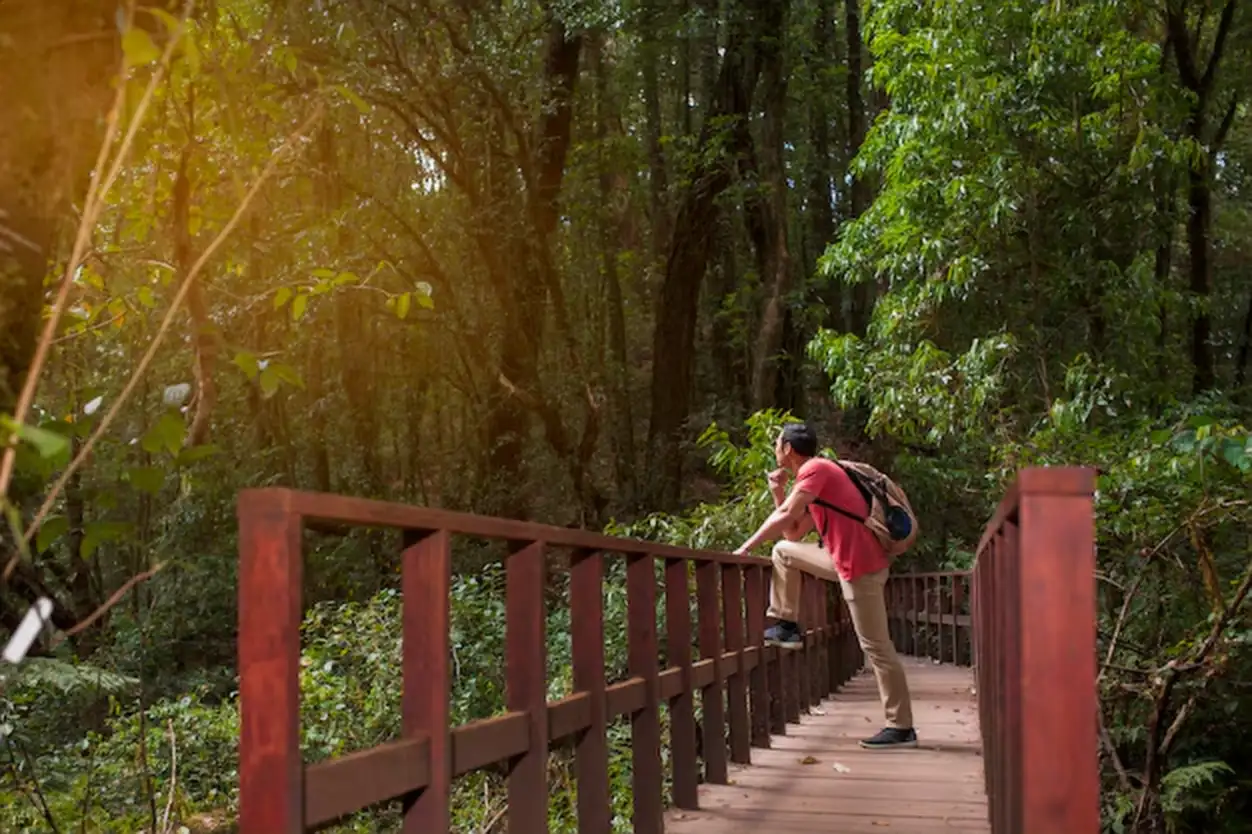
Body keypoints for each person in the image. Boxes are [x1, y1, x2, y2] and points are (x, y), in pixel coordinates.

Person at [732, 422, 917, 750]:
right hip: (842, 560)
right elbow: (793, 533)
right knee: (783, 552)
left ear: (787, 449)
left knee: (877, 647)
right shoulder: (815, 479)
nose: (776, 449)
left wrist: (745, 547)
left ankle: (901, 726)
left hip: (860, 568)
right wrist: (778, 491)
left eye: (777, 443)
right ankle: (786, 624)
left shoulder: (816, 469)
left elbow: (787, 514)